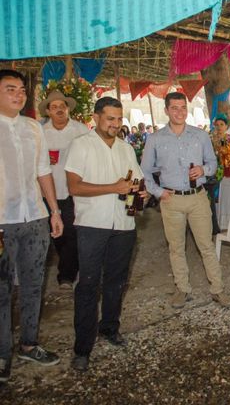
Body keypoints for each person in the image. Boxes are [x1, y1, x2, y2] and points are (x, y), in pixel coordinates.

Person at [65, 97, 146, 372]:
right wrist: (113, 188)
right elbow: (74, 187)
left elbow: (134, 184)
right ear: (96, 117)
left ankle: (110, 328)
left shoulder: (126, 148)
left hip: (123, 225)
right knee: (88, 284)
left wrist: (140, 198)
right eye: (110, 118)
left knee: (116, 281)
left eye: (119, 119)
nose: (115, 124)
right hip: (92, 224)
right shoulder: (81, 145)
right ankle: (82, 348)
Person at [141, 92, 230, 309]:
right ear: (166, 111)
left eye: (183, 107)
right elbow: (144, 171)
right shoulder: (155, 139)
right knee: (176, 247)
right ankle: (182, 289)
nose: (180, 112)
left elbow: (213, 163)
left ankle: (218, 289)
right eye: (175, 108)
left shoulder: (200, 136)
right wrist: (157, 192)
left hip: (198, 197)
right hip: (170, 199)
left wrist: (204, 169)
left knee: (206, 245)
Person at [0, 70, 63, 383]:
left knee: (33, 284)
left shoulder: (33, 128)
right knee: (1, 289)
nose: (18, 95)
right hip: (3, 222)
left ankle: (29, 343)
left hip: (36, 217)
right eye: (10, 89)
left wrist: (54, 211)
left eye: (21, 90)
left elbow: (43, 172)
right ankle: (2, 354)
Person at [41, 90, 88, 289]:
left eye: (62, 106)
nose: (59, 110)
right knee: (56, 234)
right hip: (48, 191)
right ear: (48, 112)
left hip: (73, 191)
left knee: (72, 231)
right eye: (54, 107)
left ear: (68, 109)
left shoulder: (81, 130)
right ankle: (70, 267)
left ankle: (67, 275)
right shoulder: (41, 132)